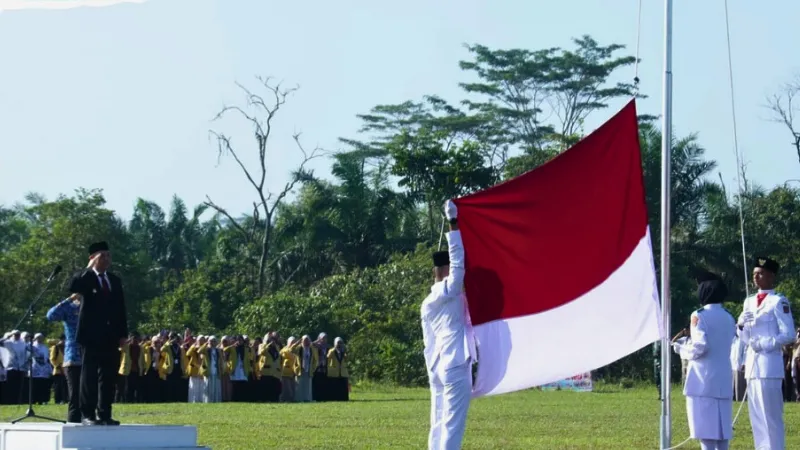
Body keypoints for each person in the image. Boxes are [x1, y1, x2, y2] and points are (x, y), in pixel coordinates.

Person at [421, 200, 475, 450]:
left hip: (436, 366)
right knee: (452, 426)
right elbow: (458, 266)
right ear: (444, 271)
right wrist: (453, 222)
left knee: (438, 423)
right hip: (453, 363)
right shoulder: (447, 290)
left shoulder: (427, 302)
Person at [672, 270, 736, 450]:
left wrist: (681, 348)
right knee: (722, 432)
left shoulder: (698, 315)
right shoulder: (728, 316)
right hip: (723, 378)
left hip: (703, 381)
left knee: (706, 433)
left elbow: (701, 346)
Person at [738, 256, 796, 450]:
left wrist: (765, 343)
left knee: (770, 417)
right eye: (754, 274)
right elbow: (744, 336)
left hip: (769, 365)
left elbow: (788, 334)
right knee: (757, 418)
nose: (756, 277)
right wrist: (741, 325)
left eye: (761, 273)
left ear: (771, 276)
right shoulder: (749, 301)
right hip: (753, 365)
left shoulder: (778, 301)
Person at [69, 241, 129, 426]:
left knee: (108, 376)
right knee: (89, 375)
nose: (106, 259)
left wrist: (122, 334)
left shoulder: (114, 280)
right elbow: (73, 286)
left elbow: (121, 309)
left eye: (108, 255)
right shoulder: (87, 278)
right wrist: (88, 268)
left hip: (111, 335)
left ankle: (105, 412)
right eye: (102, 255)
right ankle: (87, 413)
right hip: (91, 336)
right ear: (93, 258)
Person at [46, 294, 83, 422]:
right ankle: (73, 421)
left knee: (89, 393)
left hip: (91, 355)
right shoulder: (70, 308)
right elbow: (51, 315)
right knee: (74, 394)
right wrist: (69, 299)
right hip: (73, 356)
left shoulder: (95, 307)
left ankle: (89, 418)